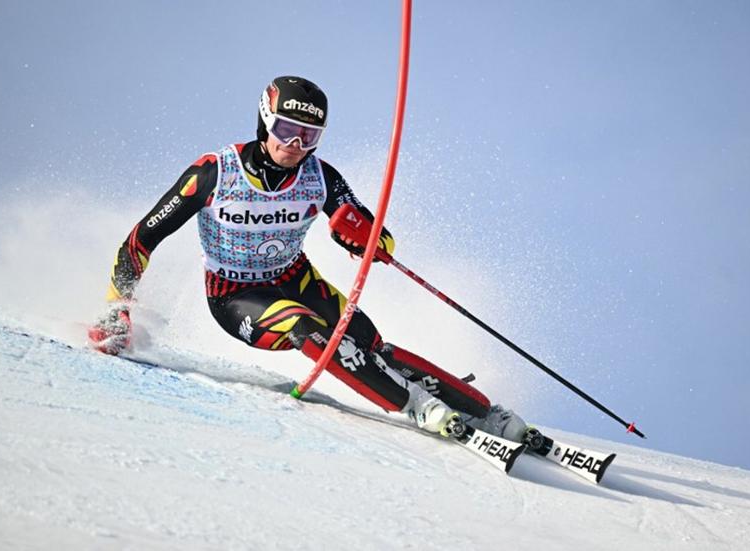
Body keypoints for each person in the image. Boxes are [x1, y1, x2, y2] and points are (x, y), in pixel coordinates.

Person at [89, 75, 528, 441]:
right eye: (285, 130)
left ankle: (484, 413)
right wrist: (118, 305)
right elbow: (142, 238)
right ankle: (417, 408)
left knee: (372, 346)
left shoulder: (321, 177)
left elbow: (378, 238)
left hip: (297, 280)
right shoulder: (214, 173)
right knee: (308, 330)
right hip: (235, 293)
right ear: (264, 121)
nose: (296, 144)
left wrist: (363, 237)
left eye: (309, 135)